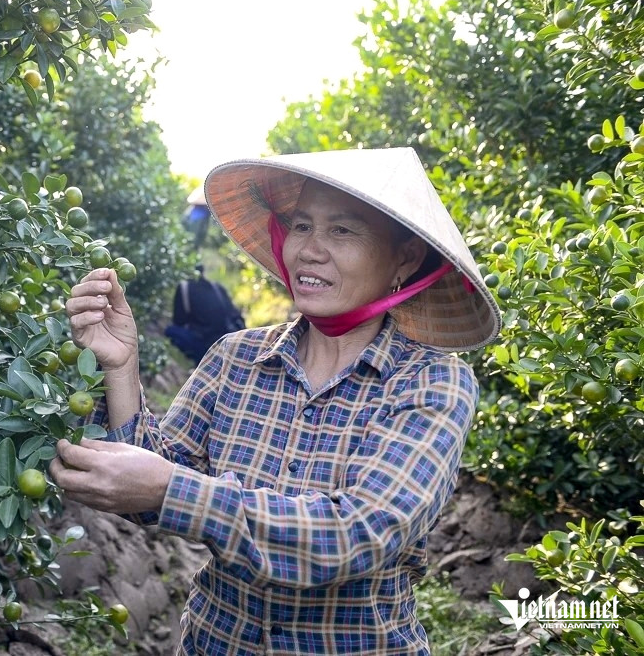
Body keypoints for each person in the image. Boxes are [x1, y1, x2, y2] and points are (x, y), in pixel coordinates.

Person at [50, 147, 501, 655]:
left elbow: (360, 533)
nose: (309, 250)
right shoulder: (235, 357)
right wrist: (121, 366)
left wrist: (170, 488)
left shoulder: (432, 382)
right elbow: (148, 492)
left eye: (342, 230)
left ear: (405, 258)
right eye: (301, 226)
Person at [164, 264, 246, 365]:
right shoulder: (217, 287)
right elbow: (234, 314)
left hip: (204, 343)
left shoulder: (184, 287)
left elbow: (178, 320)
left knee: (170, 330)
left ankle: (199, 359)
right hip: (228, 339)